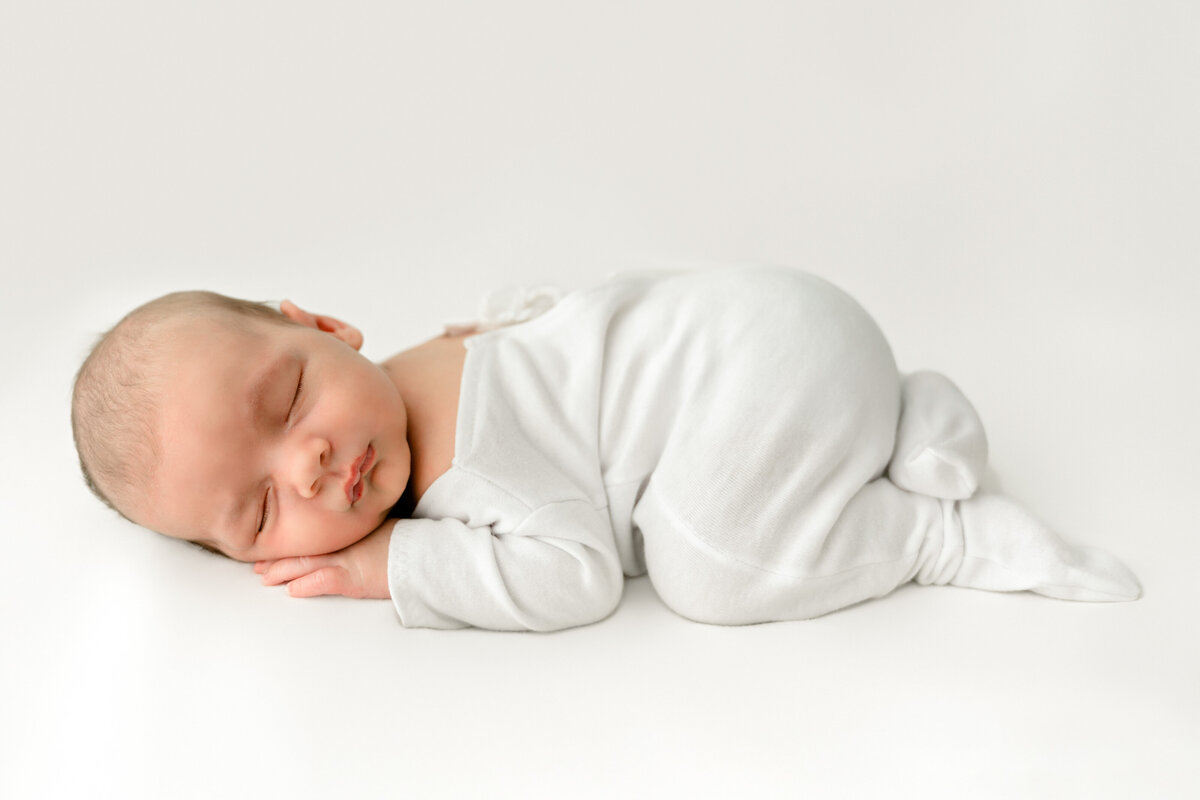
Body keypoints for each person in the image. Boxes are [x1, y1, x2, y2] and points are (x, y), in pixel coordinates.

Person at [71, 265, 1142, 631]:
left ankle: (938, 532)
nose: (308, 462)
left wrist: (392, 563)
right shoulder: (452, 343)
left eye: (290, 394)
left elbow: (578, 575)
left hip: (769, 370)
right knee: (717, 466)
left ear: (322, 324)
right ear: (251, 558)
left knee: (704, 570)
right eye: (261, 509)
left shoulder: (468, 463)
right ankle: (909, 418)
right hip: (803, 327)